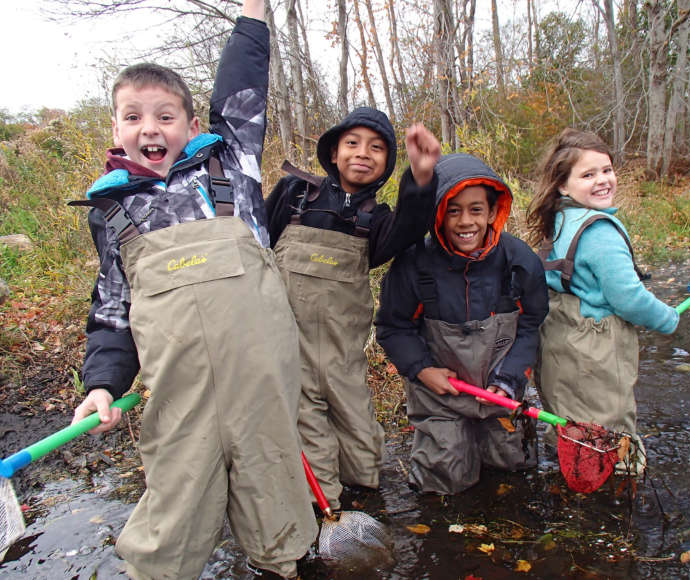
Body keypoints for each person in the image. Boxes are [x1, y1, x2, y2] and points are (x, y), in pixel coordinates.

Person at [68, 2, 317, 578]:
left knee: (275, 494)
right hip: (180, 395)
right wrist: (103, 384)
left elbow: (242, 85)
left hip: (263, 382)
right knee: (175, 504)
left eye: (165, 116)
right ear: (115, 128)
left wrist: (253, 12)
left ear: (190, 124)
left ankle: (282, 564)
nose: (149, 128)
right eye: (132, 117)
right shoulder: (111, 211)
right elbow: (112, 310)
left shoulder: (231, 166)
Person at [264, 111, 441, 510]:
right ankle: (323, 507)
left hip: (344, 354)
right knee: (309, 426)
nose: (363, 154)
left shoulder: (376, 220)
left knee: (360, 437)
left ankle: (365, 497)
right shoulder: (294, 194)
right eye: (353, 143)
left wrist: (422, 176)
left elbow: (411, 228)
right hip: (291, 347)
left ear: (387, 162)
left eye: (377, 148)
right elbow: (255, 237)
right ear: (333, 151)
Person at [374, 153, 549, 495]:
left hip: (501, 395)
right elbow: (393, 328)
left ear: (493, 212)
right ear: (437, 214)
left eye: (476, 210)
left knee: (512, 473)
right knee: (444, 480)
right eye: (453, 210)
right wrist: (424, 371)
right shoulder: (413, 264)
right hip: (439, 394)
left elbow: (531, 327)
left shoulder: (521, 262)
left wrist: (509, 380)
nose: (465, 221)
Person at [526, 128, 679, 476]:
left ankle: (575, 484)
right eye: (588, 174)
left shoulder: (559, 222)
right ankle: (617, 495)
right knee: (612, 436)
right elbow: (629, 298)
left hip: (557, 347)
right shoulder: (601, 233)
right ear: (563, 185)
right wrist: (668, 319)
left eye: (607, 170)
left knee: (571, 426)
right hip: (594, 352)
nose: (603, 180)